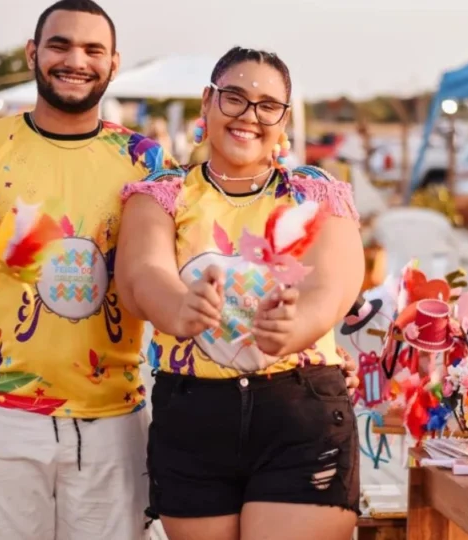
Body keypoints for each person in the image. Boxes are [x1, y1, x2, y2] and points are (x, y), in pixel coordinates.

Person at [0, 1, 177, 538]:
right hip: (0, 415)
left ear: (113, 64)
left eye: (93, 49)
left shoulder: (147, 159)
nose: (75, 60)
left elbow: (174, 264)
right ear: (33, 53)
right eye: (60, 45)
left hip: (115, 421)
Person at [117, 47, 364, 540]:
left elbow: (336, 280)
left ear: (284, 120)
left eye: (267, 105)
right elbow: (141, 273)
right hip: (193, 419)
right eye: (235, 97)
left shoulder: (313, 191)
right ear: (207, 102)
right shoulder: (162, 193)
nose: (250, 115)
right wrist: (178, 307)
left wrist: (298, 324)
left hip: (300, 412)